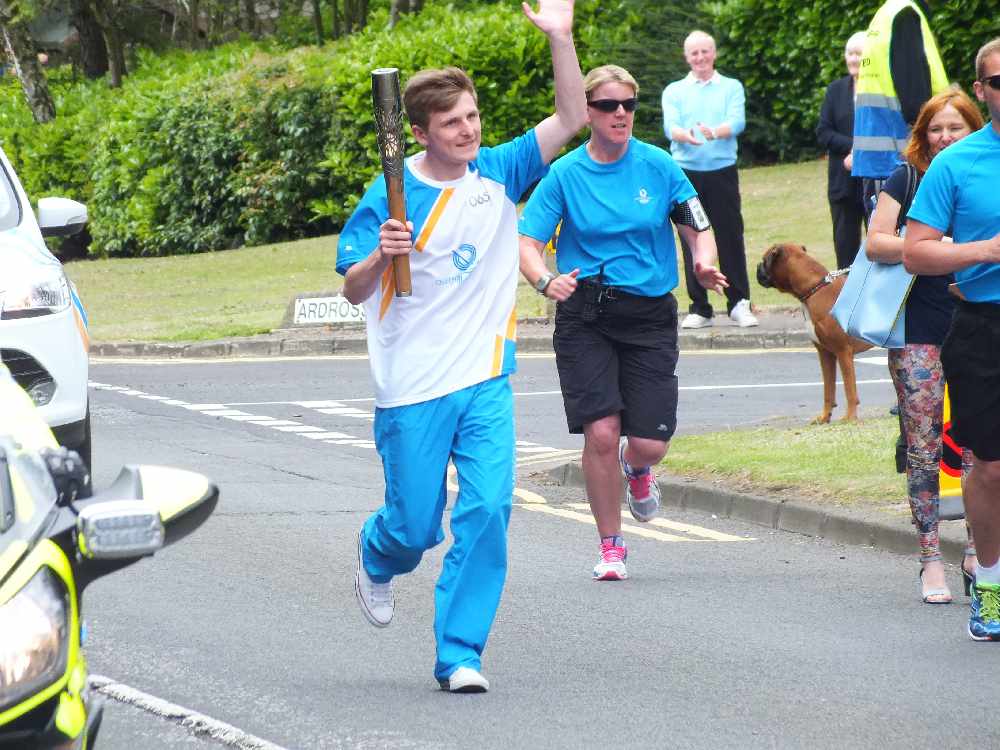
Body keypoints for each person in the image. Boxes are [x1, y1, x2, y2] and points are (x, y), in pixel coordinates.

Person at [334, 0, 587, 691]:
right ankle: (378, 552)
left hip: (484, 377)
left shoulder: (499, 172)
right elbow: (353, 290)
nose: (469, 129)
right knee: (416, 527)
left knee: (488, 508)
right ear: (419, 133)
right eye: (452, 123)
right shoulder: (390, 196)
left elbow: (571, 117)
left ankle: (460, 653)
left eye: (472, 116)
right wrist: (382, 256)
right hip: (411, 385)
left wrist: (561, 38)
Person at [518, 64, 727, 581]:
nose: (620, 114)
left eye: (628, 105)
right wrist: (545, 281)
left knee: (650, 442)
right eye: (608, 105)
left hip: (648, 314)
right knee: (602, 432)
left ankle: (638, 468)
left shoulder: (659, 166)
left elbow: (697, 225)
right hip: (585, 313)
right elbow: (527, 243)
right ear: (588, 111)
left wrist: (703, 262)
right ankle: (611, 545)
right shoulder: (565, 174)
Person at [866, 88, 983, 604]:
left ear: (973, 128)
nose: (945, 137)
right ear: (922, 134)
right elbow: (876, 241)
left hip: (978, 321)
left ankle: (979, 551)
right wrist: (937, 247)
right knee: (923, 446)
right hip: (918, 326)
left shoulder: (983, 172)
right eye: (936, 128)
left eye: (955, 127)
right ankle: (930, 558)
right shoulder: (907, 177)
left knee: (983, 447)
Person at [903, 38, 1000, 640]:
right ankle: (990, 585)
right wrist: (985, 251)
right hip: (983, 325)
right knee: (989, 467)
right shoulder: (956, 163)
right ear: (983, 90)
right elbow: (915, 252)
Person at [661, 30, 756, 330]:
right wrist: (685, 136)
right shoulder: (674, 91)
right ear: (686, 57)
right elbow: (670, 128)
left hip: (722, 171)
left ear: (714, 53)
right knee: (690, 235)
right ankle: (700, 308)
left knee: (730, 235)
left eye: (705, 51)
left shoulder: (731, 87)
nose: (700, 57)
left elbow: (737, 122)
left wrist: (714, 132)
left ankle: (738, 302)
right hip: (685, 174)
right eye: (694, 53)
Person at [852, 0, 949, 222]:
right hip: (902, 160)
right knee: (903, 238)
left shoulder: (886, 13)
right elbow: (915, 97)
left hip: (880, 160)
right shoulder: (905, 14)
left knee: (884, 236)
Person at [817, 31, 867, 270]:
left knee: (880, 244)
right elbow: (823, 132)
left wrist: (862, 151)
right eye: (850, 53)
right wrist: (853, 147)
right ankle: (846, 291)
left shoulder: (882, 91)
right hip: (842, 183)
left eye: (859, 54)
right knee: (845, 248)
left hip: (874, 181)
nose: (854, 59)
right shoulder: (835, 90)